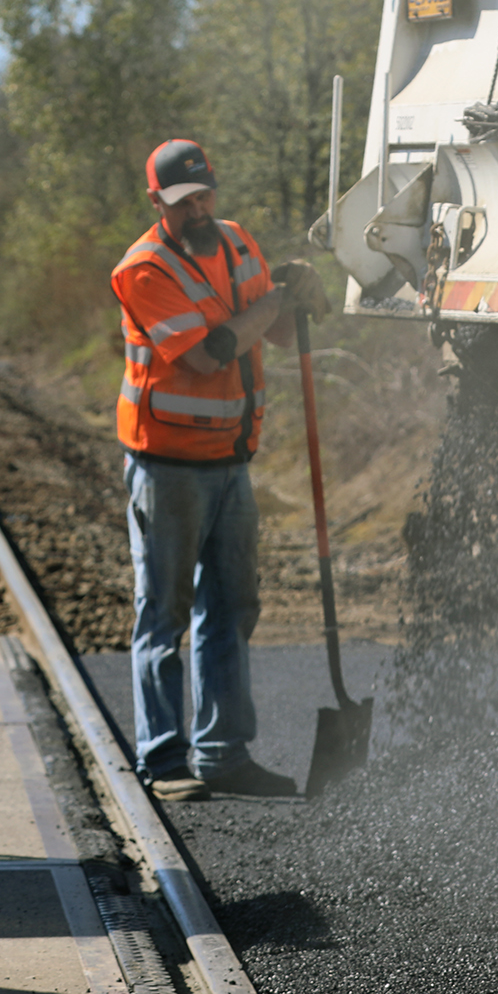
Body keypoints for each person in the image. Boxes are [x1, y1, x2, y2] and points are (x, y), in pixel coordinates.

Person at [113, 138, 329, 801]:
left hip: (233, 462)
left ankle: (223, 753)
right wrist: (275, 302)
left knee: (232, 608)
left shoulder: (237, 243)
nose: (199, 210)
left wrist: (302, 297)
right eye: (184, 203)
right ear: (157, 203)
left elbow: (281, 335)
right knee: (165, 614)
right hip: (167, 467)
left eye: (205, 196)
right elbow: (211, 352)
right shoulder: (143, 269)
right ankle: (162, 758)